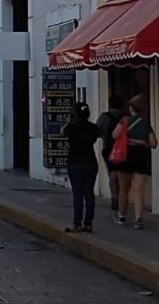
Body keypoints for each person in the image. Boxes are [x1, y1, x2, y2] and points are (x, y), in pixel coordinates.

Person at [112, 94, 157, 229]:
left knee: (124, 190)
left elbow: (115, 135)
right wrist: (141, 142)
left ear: (131, 108)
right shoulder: (145, 124)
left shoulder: (124, 120)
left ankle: (122, 215)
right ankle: (138, 218)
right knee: (138, 190)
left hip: (125, 156)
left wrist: (128, 140)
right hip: (140, 157)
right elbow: (154, 143)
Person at [61, 101, 100, 233]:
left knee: (77, 194)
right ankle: (88, 223)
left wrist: (68, 121)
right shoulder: (93, 127)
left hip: (75, 163)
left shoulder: (71, 127)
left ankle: (76, 223)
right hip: (90, 162)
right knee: (89, 193)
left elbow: (62, 132)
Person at [96, 94, 125, 214]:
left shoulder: (104, 117)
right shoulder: (125, 118)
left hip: (109, 149)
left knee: (112, 174)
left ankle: (115, 197)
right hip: (124, 149)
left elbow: (97, 131)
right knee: (122, 175)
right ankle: (123, 197)